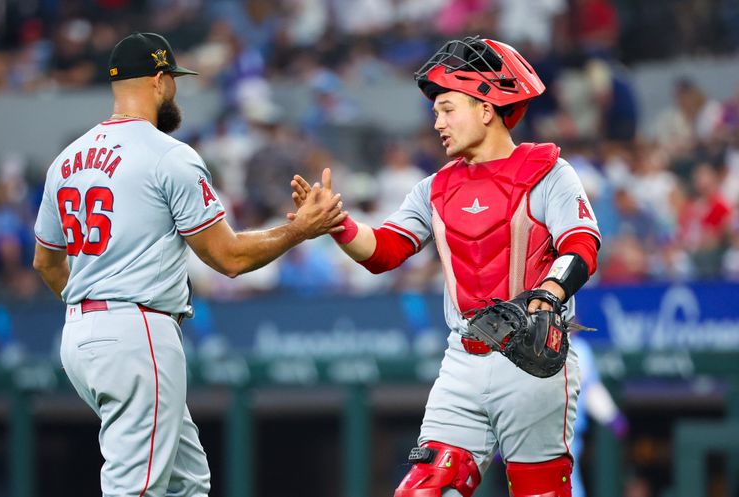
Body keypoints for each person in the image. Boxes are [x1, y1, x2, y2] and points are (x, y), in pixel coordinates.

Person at [32, 32, 345, 497]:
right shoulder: (169, 155)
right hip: (137, 331)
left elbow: (45, 262)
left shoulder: (67, 159)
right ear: (159, 81)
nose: (175, 90)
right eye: (173, 80)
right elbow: (229, 258)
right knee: (135, 488)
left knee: (185, 482)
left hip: (80, 333)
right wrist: (301, 229)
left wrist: (94, 312)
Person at [290, 36, 601, 496]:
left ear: (486, 108)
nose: (437, 121)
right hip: (462, 359)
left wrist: (549, 294)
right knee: (424, 488)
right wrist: (338, 224)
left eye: (447, 108)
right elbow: (384, 252)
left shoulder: (548, 170)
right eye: (436, 111)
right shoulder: (433, 187)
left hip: (533, 359)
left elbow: (582, 244)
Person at [569, 335, 627, 497]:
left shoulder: (579, 349)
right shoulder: (526, 342)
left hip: (566, 436)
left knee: (567, 483)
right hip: (531, 435)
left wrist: (611, 415)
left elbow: (590, 389)